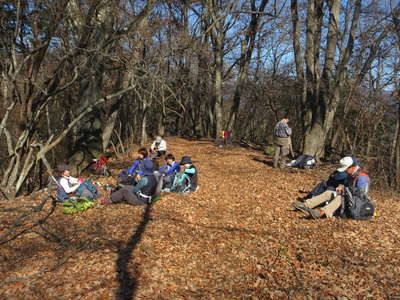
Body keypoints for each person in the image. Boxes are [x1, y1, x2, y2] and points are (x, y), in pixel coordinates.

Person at [292, 157, 370, 219]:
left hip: (356, 203)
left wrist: (345, 191)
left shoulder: (362, 177)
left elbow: (362, 194)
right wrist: (342, 186)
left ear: (352, 167)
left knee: (340, 198)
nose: (345, 171)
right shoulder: (351, 174)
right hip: (348, 197)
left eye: (346, 169)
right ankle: (306, 205)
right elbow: (347, 185)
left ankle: (321, 212)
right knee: (329, 192)